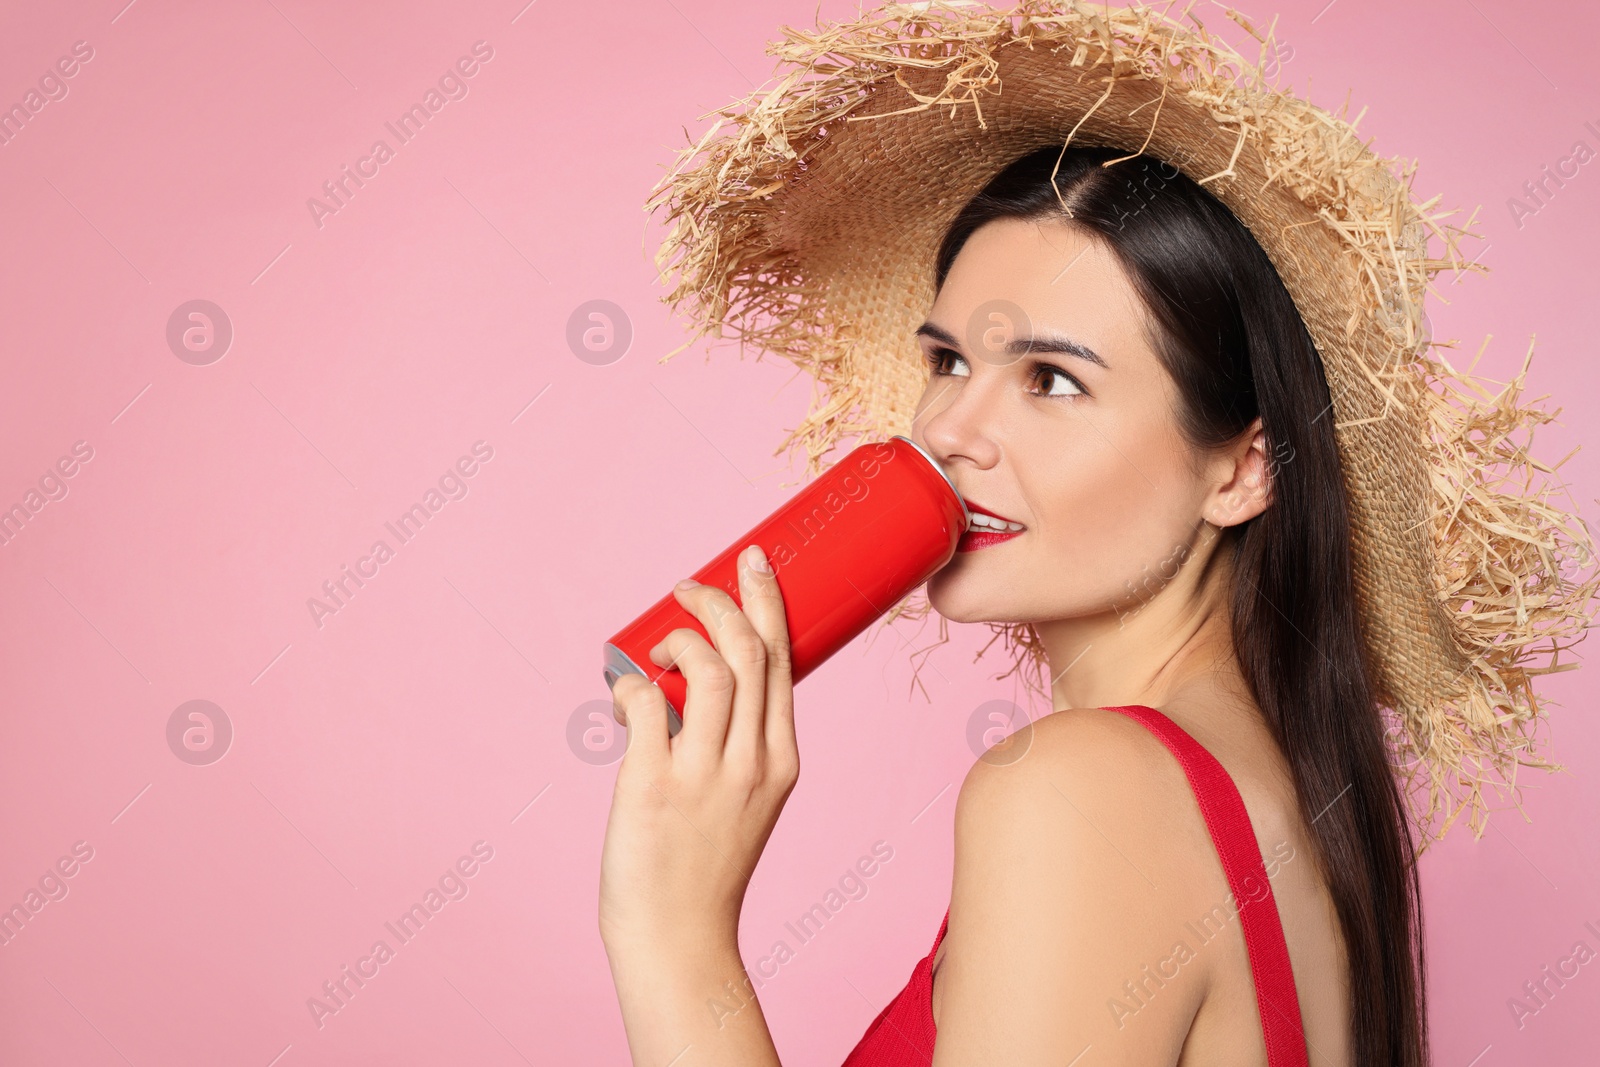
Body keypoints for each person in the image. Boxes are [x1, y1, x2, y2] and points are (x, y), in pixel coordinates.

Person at [601, 4, 1598, 1065]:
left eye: (1052, 379)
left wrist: (673, 928)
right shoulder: (1276, 797)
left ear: (1241, 467)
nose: (949, 430)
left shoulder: (1080, 790)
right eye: (947, 361)